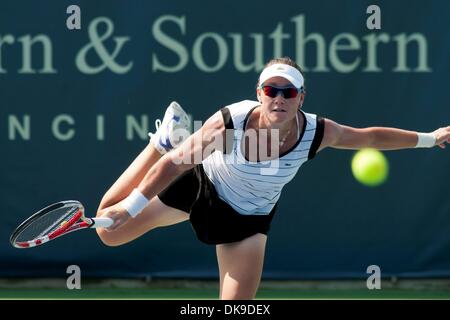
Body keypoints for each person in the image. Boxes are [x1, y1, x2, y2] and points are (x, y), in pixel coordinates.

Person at [95, 57, 450, 300]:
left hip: (248, 222)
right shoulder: (229, 125)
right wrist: (134, 205)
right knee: (108, 233)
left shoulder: (317, 132)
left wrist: (430, 138)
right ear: (259, 94)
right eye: (271, 90)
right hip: (201, 188)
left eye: (289, 92)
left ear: (301, 98)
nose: (279, 98)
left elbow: (370, 136)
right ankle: (160, 141)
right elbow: (175, 165)